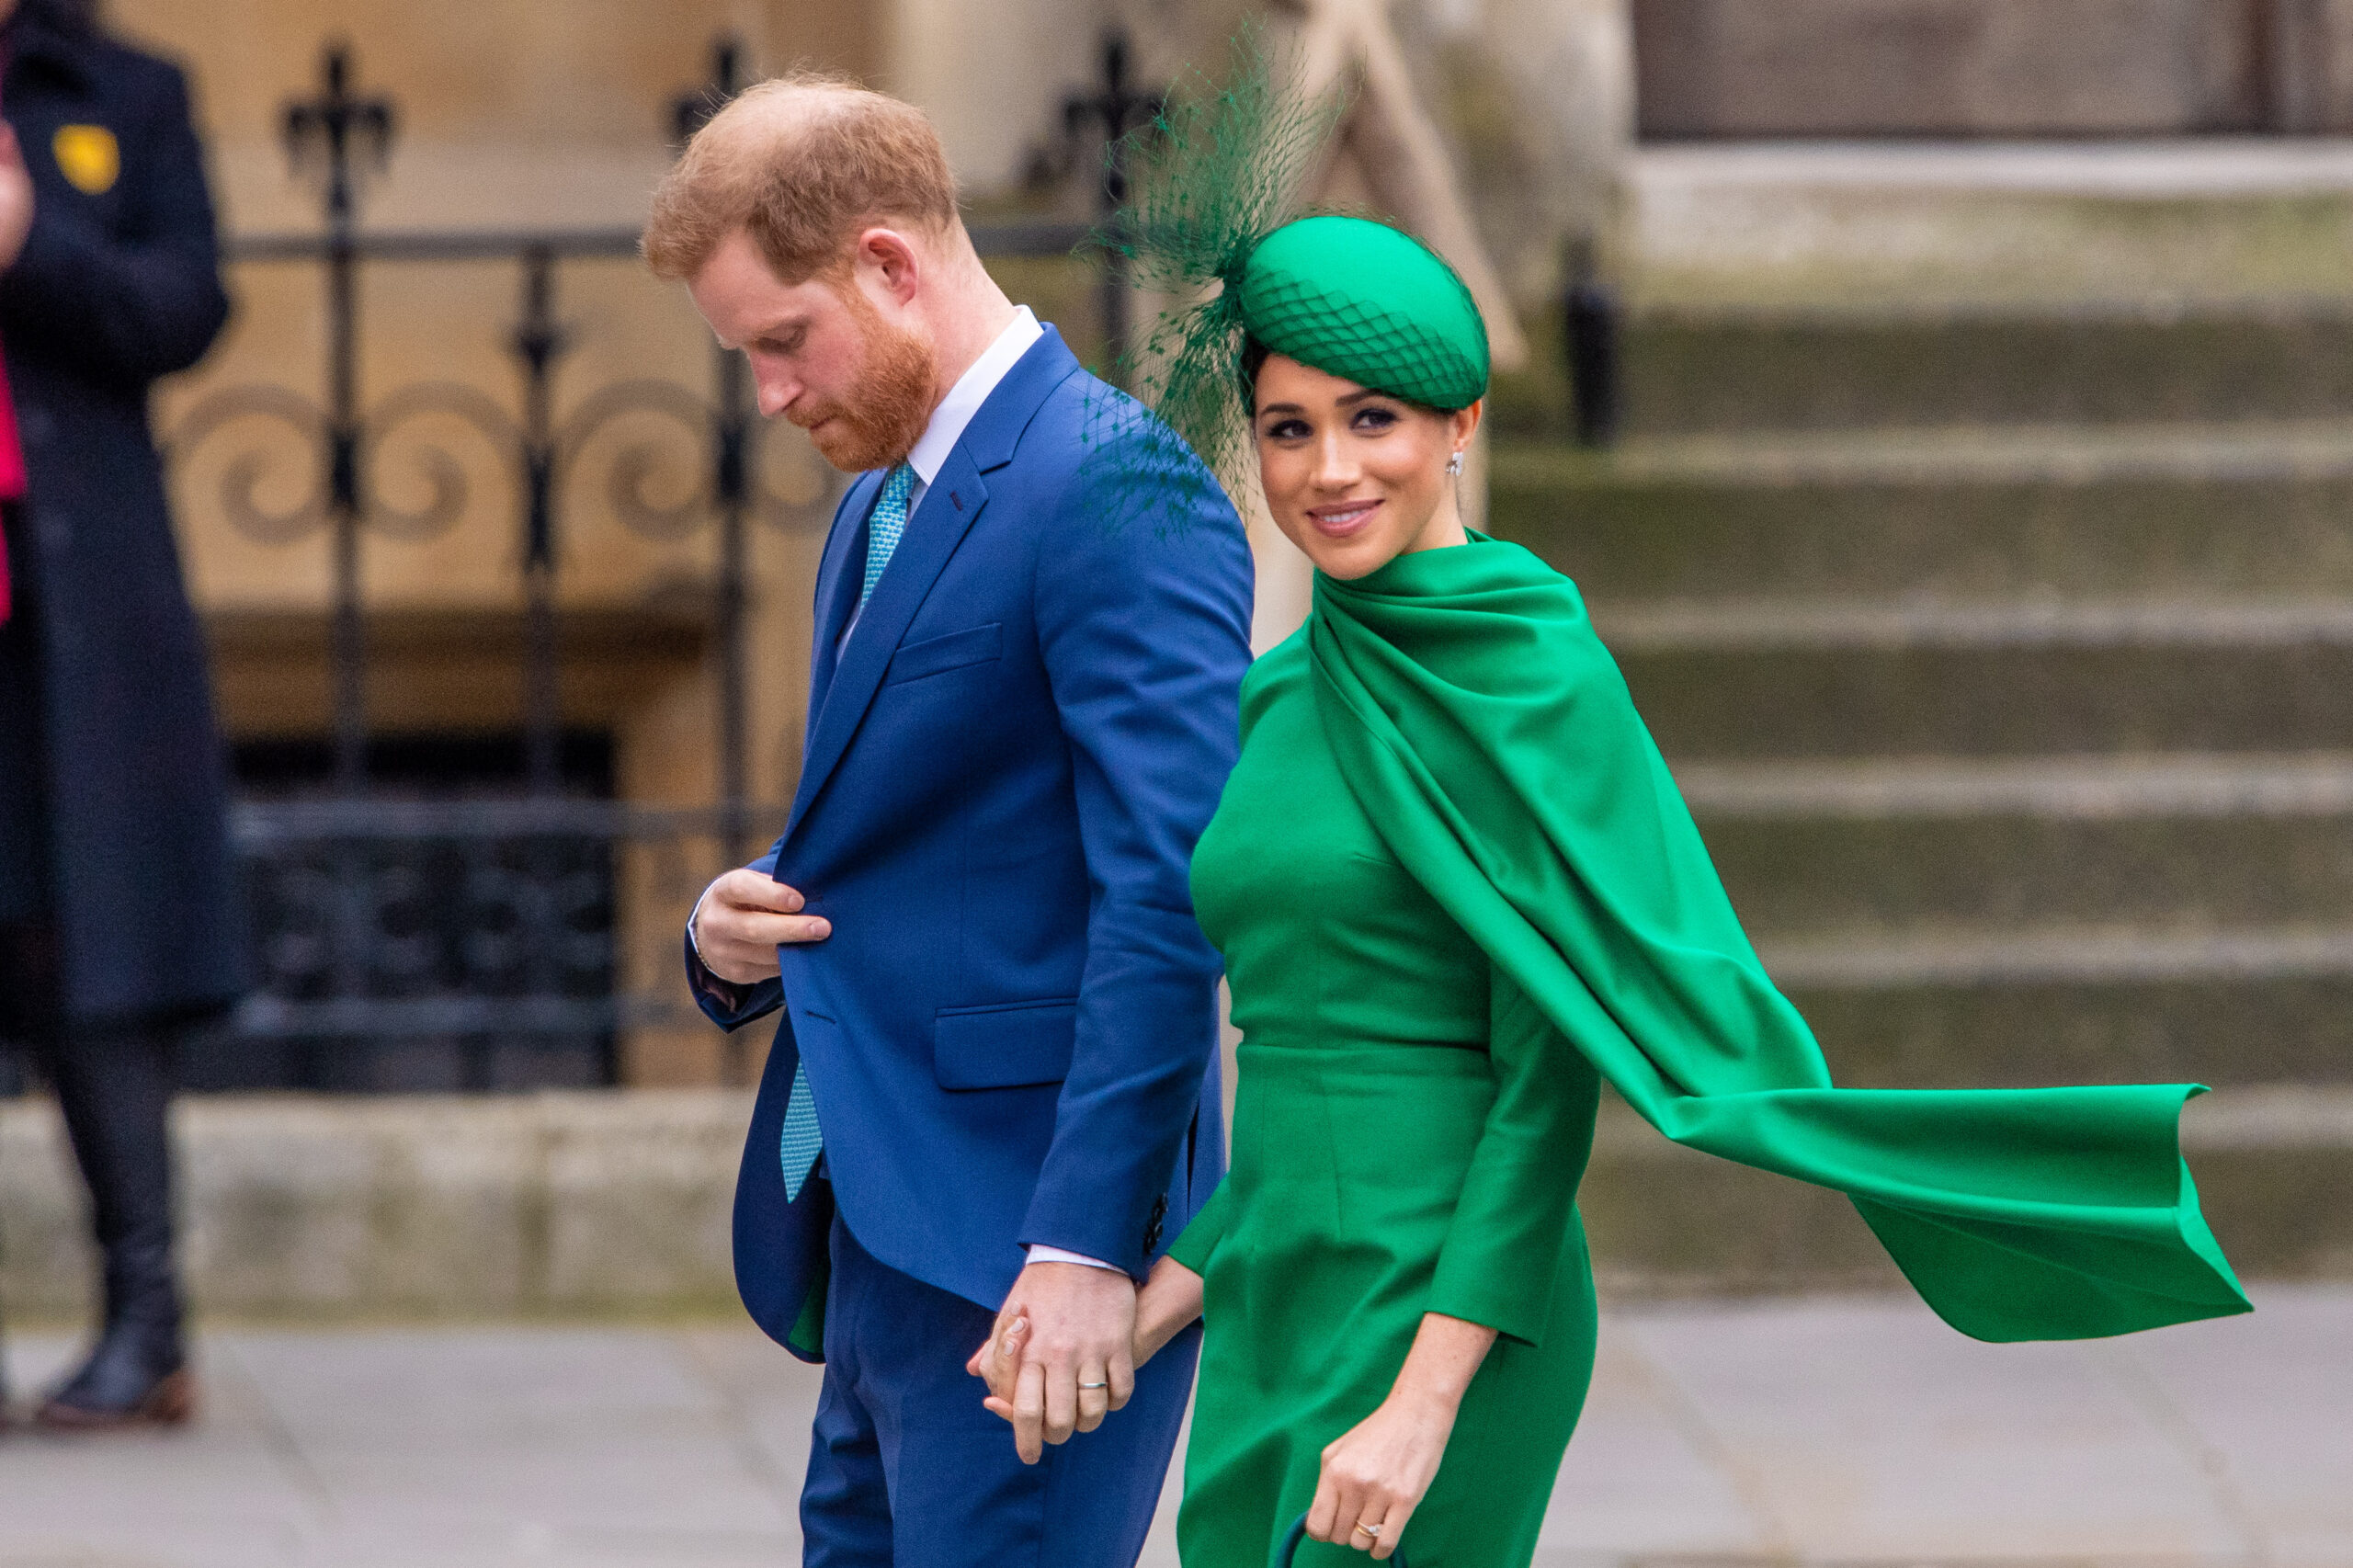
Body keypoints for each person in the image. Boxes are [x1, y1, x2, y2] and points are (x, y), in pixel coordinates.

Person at [993, 84, 2250, 1562]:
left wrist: (1423, 1401)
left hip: (1451, 1307)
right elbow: (1293, 1093)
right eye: (1287, 428)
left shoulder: (1535, 678)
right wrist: (1144, 1309)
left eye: (1373, 419)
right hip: (1278, 1295)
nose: (1329, 471)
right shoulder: (1278, 695)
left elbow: (1542, 1091)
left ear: (1460, 424)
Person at [642, 74, 1254, 1567]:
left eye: (784, 342)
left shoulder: (1118, 487)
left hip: (1027, 1258)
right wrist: (736, 928)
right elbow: (927, 832)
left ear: (890, 263)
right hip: (878, 1232)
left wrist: (1085, 1248)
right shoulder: (877, 499)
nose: (773, 394)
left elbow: (1169, 898)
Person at [0, 0, 235, 1428]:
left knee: (86, 945)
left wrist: (31, 244)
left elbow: (182, 308)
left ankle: (147, 1323)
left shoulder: (125, 90)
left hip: (60, 615)